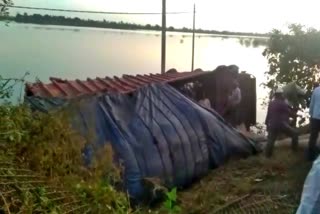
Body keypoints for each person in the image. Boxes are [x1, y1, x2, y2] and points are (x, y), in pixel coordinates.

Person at [265, 87, 299, 158]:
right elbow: (290, 113)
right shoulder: (283, 103)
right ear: (280, 95)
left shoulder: (271, 103)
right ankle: (294, 152)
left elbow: (268, 114)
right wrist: (296, 115)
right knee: (295, 134)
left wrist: (267, 124)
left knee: (270, 141)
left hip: (272, 124)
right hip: (281, 124)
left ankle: (267, 156)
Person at [307, 83, 320, 161]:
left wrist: (311, 114)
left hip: (315, 117)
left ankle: (310, 157)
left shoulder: (316, 90)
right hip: (315, 116)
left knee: (313, 137)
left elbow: (311, 104)